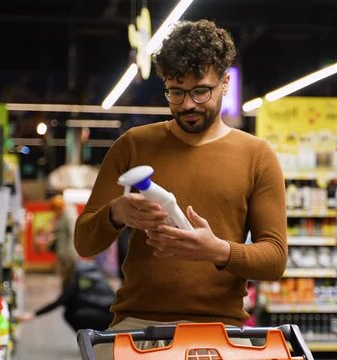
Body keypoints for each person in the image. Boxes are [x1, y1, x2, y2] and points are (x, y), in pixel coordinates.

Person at [74, 19, 287, 356]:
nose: (187, 104)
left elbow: (275, 260)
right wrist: (115, 214)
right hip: (138, 326)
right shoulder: (132, 146)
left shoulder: (257, 156)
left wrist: (216, 250)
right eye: (175, 91)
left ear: (225, 83)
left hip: (219, 330)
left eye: (200, 90)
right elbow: (84, 241)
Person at [16, 259, 116, 332]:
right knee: (70, 312)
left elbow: (59, 302)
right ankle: (90, 339)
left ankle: (94, 339)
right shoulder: (82, 274)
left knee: (73, 315)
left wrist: (33, 314)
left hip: (108, 315)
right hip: (107, 311)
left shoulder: (77, 278)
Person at [49, 194, 79, 285]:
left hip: (68, 254)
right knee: (65, 278)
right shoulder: (62, 215)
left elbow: (73, 234)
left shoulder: (69, 216)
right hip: (63, 252)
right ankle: (66, 297)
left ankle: (68, 298)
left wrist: (69, 253)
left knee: (68, 279)